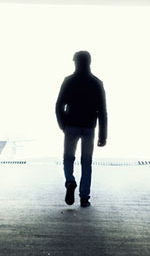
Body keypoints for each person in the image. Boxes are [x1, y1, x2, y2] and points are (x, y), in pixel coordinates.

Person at [55, 50, 107, 207]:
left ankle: (70, 181)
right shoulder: (97, 83)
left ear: (75, 62)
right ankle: (84, 197)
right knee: (86, 162)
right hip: (89, 127)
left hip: (71, 126)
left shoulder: (68, 81)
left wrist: (63, 125)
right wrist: (102, 135)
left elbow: (59, 105)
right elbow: (102, 111)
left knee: (68, 158)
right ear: (89, 62)